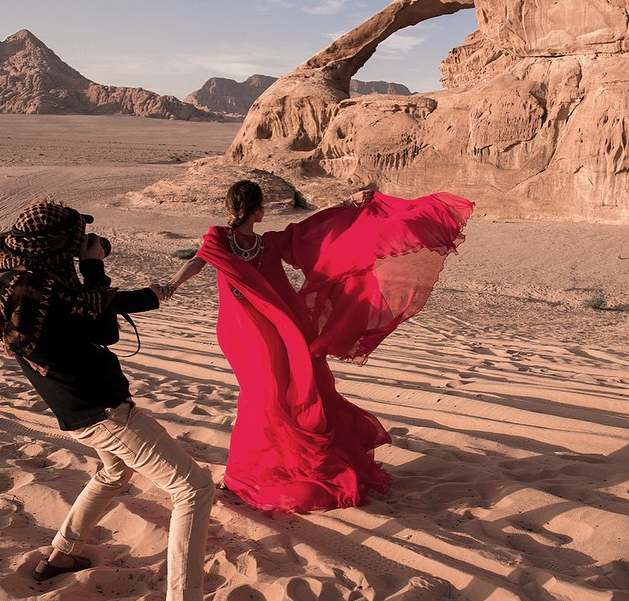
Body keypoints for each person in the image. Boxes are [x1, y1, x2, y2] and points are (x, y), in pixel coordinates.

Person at [166, 180, 473, 513]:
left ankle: (259, 469)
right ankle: (262, 467)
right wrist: (349, 204)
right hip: (269, 330)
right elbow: (316, 230)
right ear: (258, 210)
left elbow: (198, 262)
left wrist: (171, 285)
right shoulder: (256, 242)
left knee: (266, 395)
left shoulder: (237, 240)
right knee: (278, 393)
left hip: (256, 331)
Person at [0, 200, 214, 601]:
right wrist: (93, 267)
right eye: (76, 240)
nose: (83, 244)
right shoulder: (46, 294)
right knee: (194, 490)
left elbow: (97, 305)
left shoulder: (21, 281)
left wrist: (160, 289)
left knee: (114, 473)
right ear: (59, 245)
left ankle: (62, 555)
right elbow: (103, 329)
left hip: (76, 409)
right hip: (104, 411)